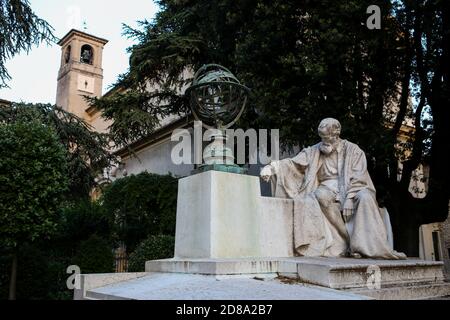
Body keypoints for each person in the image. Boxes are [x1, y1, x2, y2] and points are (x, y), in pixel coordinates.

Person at [261, 118, 406, 259]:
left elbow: (359, 176)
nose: (324, 141)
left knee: (365, 197)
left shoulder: (353, 151)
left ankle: (367, 246)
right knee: (319, 196)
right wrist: (272, 167)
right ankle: (347, 241)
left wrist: (349, 198)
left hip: (352, 188)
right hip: (327, 188)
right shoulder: (314, 151)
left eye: (327, 138)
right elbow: (292, 163)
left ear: (336, 135)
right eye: (322, 137)